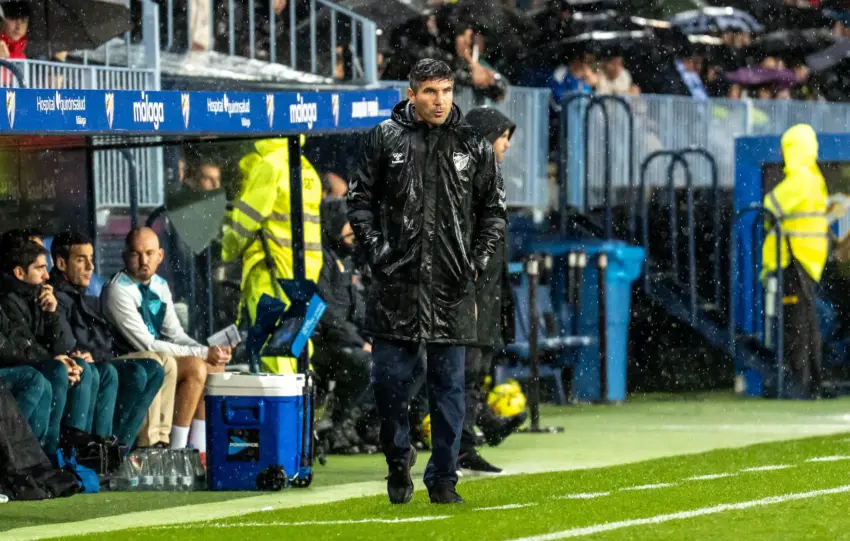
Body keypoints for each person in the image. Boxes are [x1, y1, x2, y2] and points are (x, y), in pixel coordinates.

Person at [348, 58, 506, 504]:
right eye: (431, 92)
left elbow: (494, 210)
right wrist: (380, 254)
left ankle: (443, 479)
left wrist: (476, 261)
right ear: (411, 94)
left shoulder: (473, 143)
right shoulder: (384, 137)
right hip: (396, 286)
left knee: (449, 390)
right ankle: (398, 460)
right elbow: (358, 201)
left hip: (452, 287)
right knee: (389, 385)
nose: (440, 101)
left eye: (447, 91)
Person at [102, 228, 231, 452]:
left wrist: (210, 352)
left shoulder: (160, 285)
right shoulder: (117, 290)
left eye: (149, 253)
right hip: (126, 362)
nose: (144, 261)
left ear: (160, 255)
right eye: (136, 254)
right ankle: (176, 451)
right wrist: (202, 353)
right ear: (125, 257)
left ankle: (199, 449)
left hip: (156, 359)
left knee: (214, 367)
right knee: (195, 366)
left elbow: (176, 334)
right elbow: (147, 344)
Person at [50, 231, 168, 448]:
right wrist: (78, 354)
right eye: (81, 260)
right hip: (85, 366)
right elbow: (63, 343)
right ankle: (102, 450)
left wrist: (96, 354)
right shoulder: (54, 298)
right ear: (61, 263)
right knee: (132, 373)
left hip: (100, 360)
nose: (90, 267)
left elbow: (106, 342)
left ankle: (120, 449)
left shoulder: (87, 298)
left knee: (154, 369)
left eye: (91, 259)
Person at [459, 107, 527, 474]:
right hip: (471, 299)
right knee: (463, 376)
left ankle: (468, 442)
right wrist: (466, 295)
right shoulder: (466, 183)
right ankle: (460, 448)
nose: (507, 144)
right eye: (503, 136)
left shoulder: (486, 180)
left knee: (474, 376)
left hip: (487, 298)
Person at [222, 137, 323, 374]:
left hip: (272, 269)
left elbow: (245, 223)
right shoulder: (306, 168)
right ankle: (301, 394)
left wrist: (225, 250)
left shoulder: (269, 166)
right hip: (304, 270)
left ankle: (285, 397)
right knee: (297, 342)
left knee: (273, 344)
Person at [0, 240, 102, 456]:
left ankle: (82, 453)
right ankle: (44, 456)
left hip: (29, 362)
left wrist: (52, 314)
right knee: (48, 374)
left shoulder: (38, 296)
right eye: (40, 268)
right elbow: (17, 347)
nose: (47, 275)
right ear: (19, 272)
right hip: (15, 367)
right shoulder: (9, 300)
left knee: (85, 369)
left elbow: (63, 346)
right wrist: (53, 359)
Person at [762, 124, 829, 399]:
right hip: (808, 258)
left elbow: (769, 206)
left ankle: (798, 383)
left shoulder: (800, 179)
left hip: (795, 258)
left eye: (785, 148)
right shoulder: (814, 177)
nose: (781, 154)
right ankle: (812, 381)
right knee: (808, 322)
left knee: (796, 323)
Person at [315, 197, 372, 455]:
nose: (354, 229)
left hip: (347, 338)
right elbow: (325, 313)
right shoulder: (321, 258)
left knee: (407, 358)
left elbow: (359, 310)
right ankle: (339, 424)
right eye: (348, 222)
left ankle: (367, 424)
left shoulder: (348, 259)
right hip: (325, 341)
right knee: (367, 363)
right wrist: (359, 342)